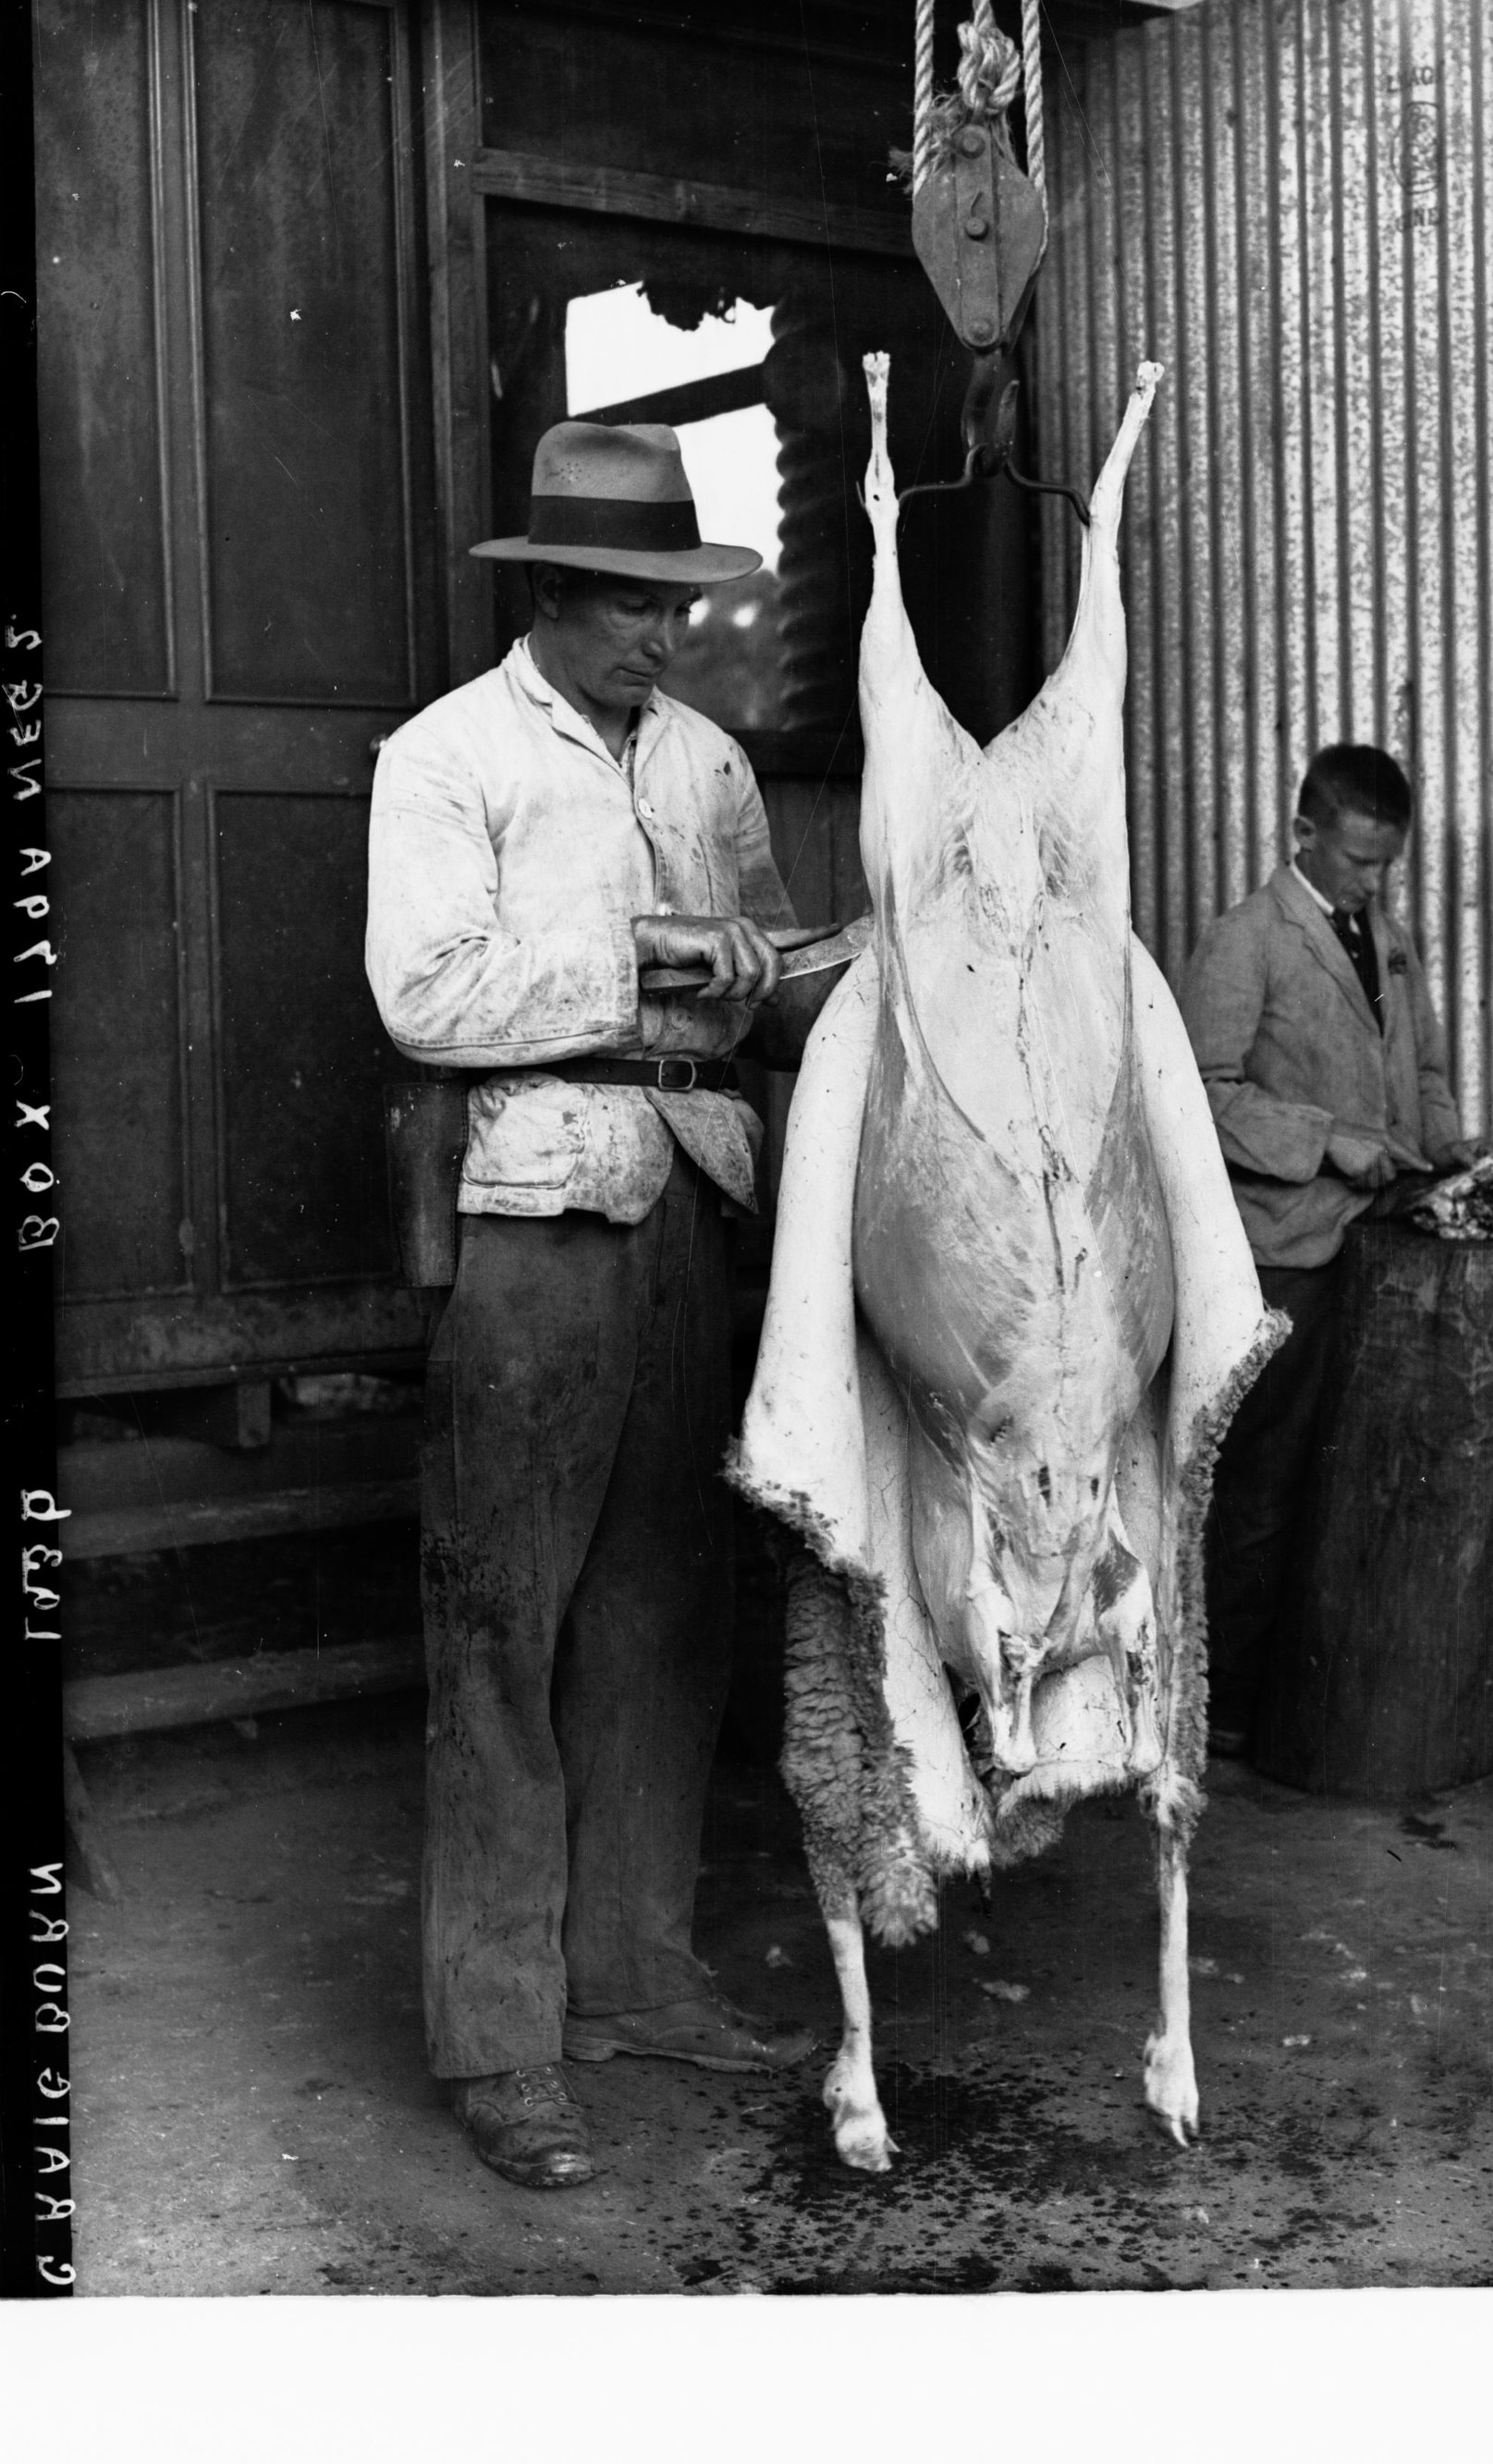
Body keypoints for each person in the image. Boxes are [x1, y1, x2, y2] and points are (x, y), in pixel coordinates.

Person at [365, 420, 816, 2190]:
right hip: (542, 1213)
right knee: (502, 1633)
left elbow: (770, 969)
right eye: (631, 607)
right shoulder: (450, 756)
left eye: (677, 606)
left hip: (697, 1206)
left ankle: (635, 1974)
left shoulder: (705, 760)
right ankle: (500, 2040)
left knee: (668, 1615)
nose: (664, 638)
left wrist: (762, 961)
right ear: (550, 593)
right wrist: (639, 953)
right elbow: (425, 993)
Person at [1178, 744, 1478, 1752]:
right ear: (1302, 834)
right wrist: (1325, 1140)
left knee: (1339, 1479)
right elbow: (1201, 1097)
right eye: (1357, 860)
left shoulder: (1385, 937)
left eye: (1386, 863)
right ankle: (1227, 1709)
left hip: (1369, 1244)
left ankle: (1306, 1703)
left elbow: (1421, 1068)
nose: (1373, 881)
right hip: (1283, 1253)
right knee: (1263, 1482)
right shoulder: (1245, 941)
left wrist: (1449, 1152)